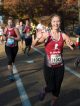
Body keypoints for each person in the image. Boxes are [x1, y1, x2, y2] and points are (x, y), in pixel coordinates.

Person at [32, 14, 75, 106]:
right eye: (54, 21)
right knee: (51, 86)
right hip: (49, 65)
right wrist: (37, 38)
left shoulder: (63, 35)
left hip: (60, 65)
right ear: (51, 23)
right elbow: (34, 45)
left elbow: (73, 46)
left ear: (60, 22)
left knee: (57, 87)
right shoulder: (47, 34)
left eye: (58, 21)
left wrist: (72, 44)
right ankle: (44, 90)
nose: (56, 23)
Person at [3, 17, 20, 81]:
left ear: (13, 23)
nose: (10, 24)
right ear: (7, 22)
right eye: (9, 22)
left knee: (12, 61)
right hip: (7, 47)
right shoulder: (6, 28)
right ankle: (11, 75)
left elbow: (19, 38)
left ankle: (11, 71)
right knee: (9, 60)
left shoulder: (15, 29)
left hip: (15, 47)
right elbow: (4, 36)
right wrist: (4, 37)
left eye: (11, 22)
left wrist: (13, 38)